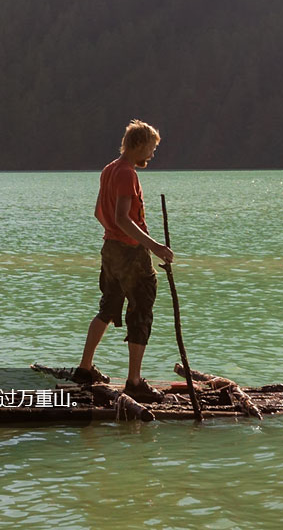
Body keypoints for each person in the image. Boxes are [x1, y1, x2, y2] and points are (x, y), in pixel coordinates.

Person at [74, 119, 173, 403]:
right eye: (151, 149)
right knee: (141, 311)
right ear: (138, 144)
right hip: (130, 253)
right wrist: (153, 246)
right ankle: (134, 382)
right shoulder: (127, 173)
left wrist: (114, 235)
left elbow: (99, 213)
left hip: (110, 250)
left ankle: (85, 368)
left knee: (107, 308)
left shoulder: (109, 169)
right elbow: (121, 217)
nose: (151, 155)